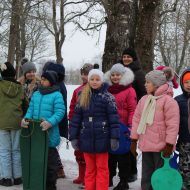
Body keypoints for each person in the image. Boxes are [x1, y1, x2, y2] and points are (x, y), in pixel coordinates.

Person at [69, 69, 120, 190]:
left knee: (102, 169)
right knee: (90, 169)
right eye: (92, 79)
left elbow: (114, 120)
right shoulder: (82, 96)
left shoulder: (108, 98)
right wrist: (74, 137)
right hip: (86, 138)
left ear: (102, 81)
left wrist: (114, 137)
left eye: (97, 79)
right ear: (88, 80)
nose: (94, 82)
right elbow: (76, 119)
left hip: (102, 138)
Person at [130, 68, 180, 190]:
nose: (145, 84)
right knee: (147, 175)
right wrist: (134, 140)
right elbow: (136, 120)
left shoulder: (168, 102)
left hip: (162, 148)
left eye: (148, 82)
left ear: (156, 84)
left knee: (160, 176)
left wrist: (169, 144)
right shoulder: (144, 100)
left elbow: (173, 125)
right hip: (147, 145)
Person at [21, 70, 65, 190]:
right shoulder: (36, 94)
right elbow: (30, 110)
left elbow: (60, 112)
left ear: (51, 82)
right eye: (42, 78)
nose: (42, 81)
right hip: (36, 135)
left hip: (49, 136)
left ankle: (50, 186)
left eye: (45, 79)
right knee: (37, 163)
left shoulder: (57, 95)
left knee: (50, 166)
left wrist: (50, 122)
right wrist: (26, 119)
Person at [104, 63, 137, 190]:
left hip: (124, 128)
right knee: (110, 155)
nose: (115, 77)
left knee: (123, 156)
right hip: (109, 126)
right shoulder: (106, 88)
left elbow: (133, 110)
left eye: (118, 75)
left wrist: (130, 126)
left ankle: (124, 181)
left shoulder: (130, 90)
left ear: (123, 75)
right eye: (113, 75)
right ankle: (109, 178)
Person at [120, 47, 146, 182]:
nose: (126, 59)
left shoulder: (139, 73)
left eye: (129, 57)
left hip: (133, 113)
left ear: (134, 58)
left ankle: (132, 171)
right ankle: (122, 171)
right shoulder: (118, 71)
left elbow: (143, 94)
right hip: (119, 113)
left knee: (130, 143)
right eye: (124, 56)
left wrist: (139, 112)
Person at [68, 63, 94, 185]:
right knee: (78, 151)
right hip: (77, 125)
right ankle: (81, 175)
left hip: (88, 126)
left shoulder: (95, 89)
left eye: (87, 74)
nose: (84, 76)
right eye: (83, 74)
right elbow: (72, 106)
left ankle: (88, 177)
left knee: (87, 153)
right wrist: (71, 120)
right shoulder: (77, 90)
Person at [0, 62, 24, 186]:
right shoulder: (20, 87)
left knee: (4, 151)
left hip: (2, 122)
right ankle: (18, 177)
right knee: (16, 150)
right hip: (17, 122)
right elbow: (25, 104)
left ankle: (6, 178)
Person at [43, 61, 68, 178]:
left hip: (54, 121)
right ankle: (56, 169)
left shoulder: (57, 87)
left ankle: (58, 169)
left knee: (52, 147)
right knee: (51, 147)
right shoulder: (59, 85)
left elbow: (58, 108)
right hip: (54, 120)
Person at [175, 68, 190, 190]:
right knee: (184, 167)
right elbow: (174, 122)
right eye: (186, 82)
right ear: (182, 84)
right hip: (185, 141)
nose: (189, 85)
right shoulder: (178, 101)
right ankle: (184, 186)